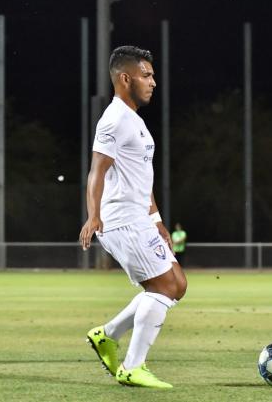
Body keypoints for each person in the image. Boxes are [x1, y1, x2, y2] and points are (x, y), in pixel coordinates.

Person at [79, 46, 187, 388]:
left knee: (175, 285)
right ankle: (132, 367)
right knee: (166, 286)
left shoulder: (134, 120)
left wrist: (157, 219)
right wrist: (92, 216)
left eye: (153, 75)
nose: (153, 82)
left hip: (139, 218)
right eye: (147, 75)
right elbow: (97, 170)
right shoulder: (113, 120)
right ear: (125, 79)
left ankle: (106, 335)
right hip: (121, 220)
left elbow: (142, 177)